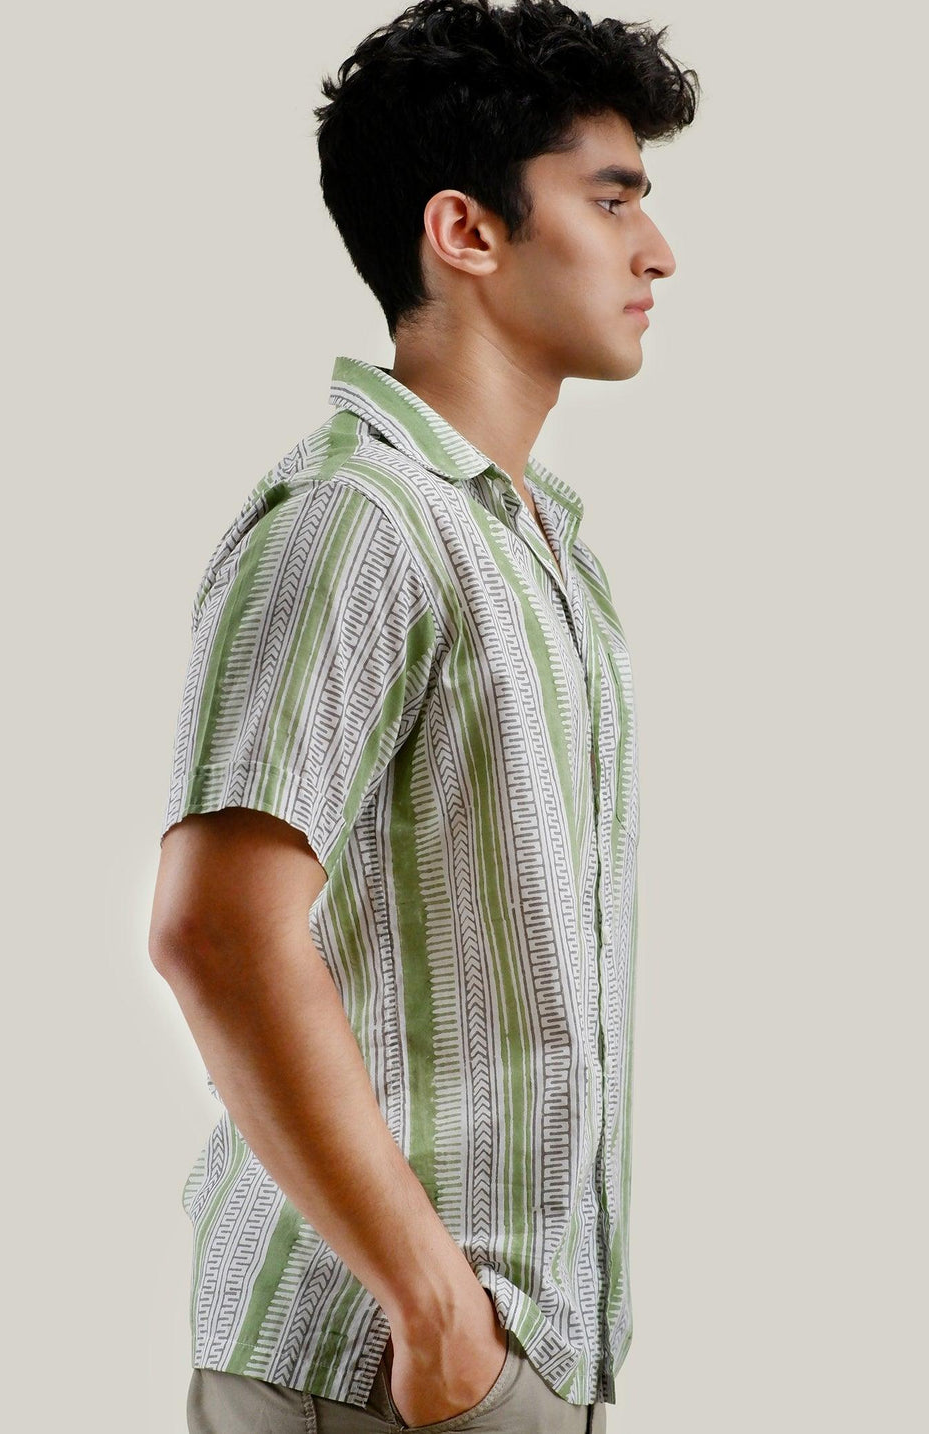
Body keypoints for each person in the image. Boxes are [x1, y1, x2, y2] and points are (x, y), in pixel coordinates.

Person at [148, 2, 699, 1429]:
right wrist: (434, 1311)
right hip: (378, 1365)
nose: (657, 251)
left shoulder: (540, 544)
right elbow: (218, 930)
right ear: (466, 231)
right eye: (612, 198)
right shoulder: (356, 522)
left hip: (511, 1356)